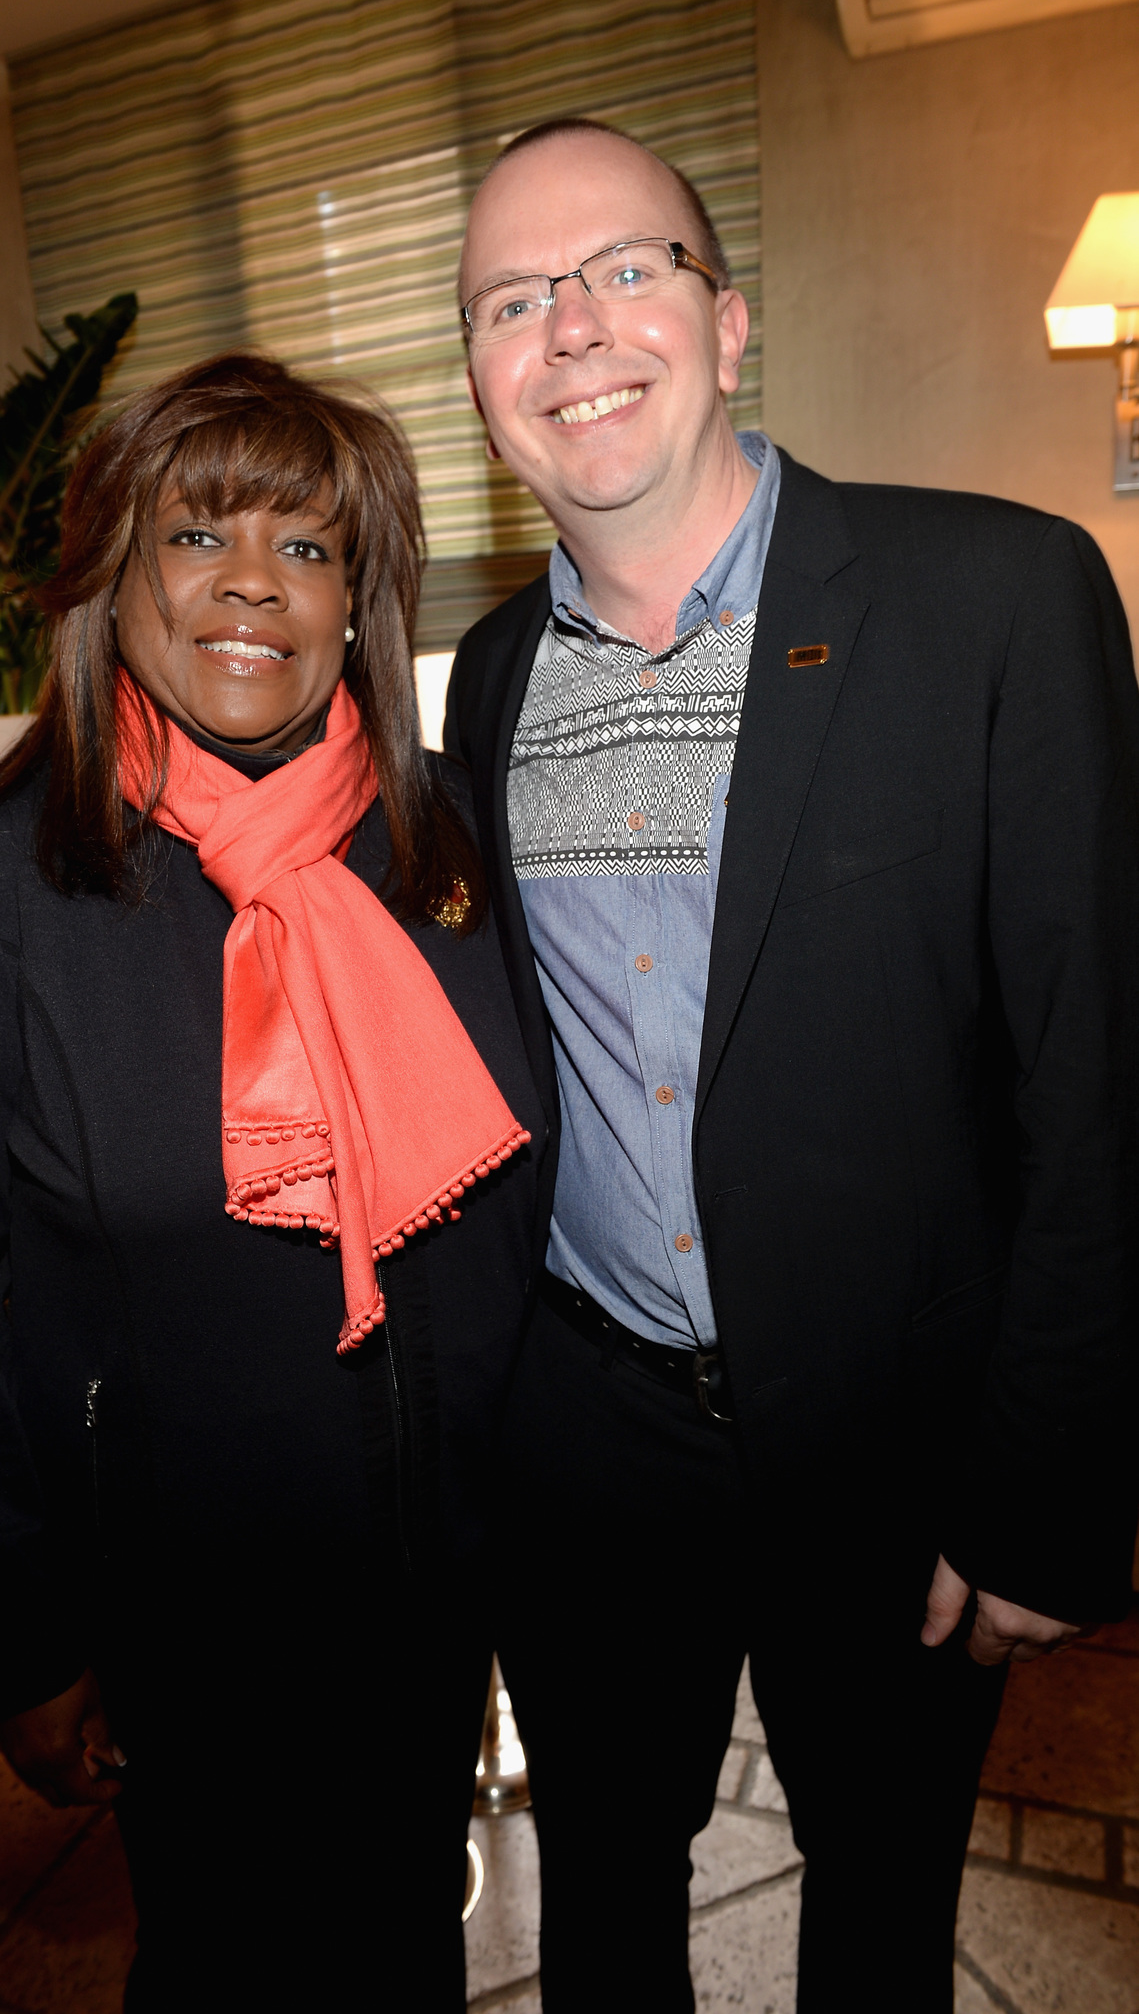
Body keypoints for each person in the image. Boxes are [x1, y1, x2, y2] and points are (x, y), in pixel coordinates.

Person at [444, 117, 1139, 2011]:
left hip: (894, 1445)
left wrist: (1046, 1495)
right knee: (600, 1896)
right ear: (483, 384)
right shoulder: (491, 683)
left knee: (883, 1913)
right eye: (514, 299)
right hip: (586, 1441)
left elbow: (1101, 1085)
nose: (571, 325)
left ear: (731, 325)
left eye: (623, 271)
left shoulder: (998, 597)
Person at [0, 353, 546, 2009]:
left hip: (433, 1582)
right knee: (229, 1964)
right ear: (114, 575)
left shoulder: (441, 840)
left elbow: (516, 1206)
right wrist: (20, 1641)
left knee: (397, 1945)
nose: (253, 585)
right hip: (186, 1613)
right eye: (197, 536)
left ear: (357, 601)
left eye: (308, 549)